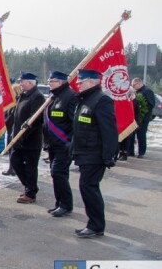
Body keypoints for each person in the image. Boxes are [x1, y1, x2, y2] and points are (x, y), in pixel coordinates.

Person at [71, 69, 118, 238]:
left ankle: (96, 225)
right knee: (87, 187)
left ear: (91, 82)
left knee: (89, 187)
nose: (78, 85)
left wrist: (108, 155)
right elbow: (80, 128)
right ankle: (94, 224)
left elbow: (109, 130)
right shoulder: (85, 100)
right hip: (84, 152)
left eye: (80, 82)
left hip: (95, 153)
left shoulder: (101, 100)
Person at [43, 71, 77, 217]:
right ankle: (60, 203)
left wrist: (70, 141)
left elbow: (73, 122)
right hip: (53, 143)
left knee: (58, 172)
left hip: (64, 143)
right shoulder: (53, 97)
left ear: (61, 82)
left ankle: (66, 205)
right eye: (49, 81)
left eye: (53, 81)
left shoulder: (70, 96)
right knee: (55, 173)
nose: (49, 83)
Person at [9, 72, 45, 203]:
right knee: (15, 161)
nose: (20, 84)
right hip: (18, 139)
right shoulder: (23, 96)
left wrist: (23, 136)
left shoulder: (37, 97)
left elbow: (36, 119)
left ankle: (30, 193)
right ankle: (29, 187)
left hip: (30, 140)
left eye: (22, 81)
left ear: (30, 82)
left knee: (30, 166)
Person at [129, 77, 156, 158]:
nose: (133, 87)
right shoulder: (135, 92)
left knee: (141, 135)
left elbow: (151, 105)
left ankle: (141, 152)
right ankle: (130, 151)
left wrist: (141, 111)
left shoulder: (147, 91)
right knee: (131, 135)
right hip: (134, 118)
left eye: (134, 85)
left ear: (139, 83)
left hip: (143, 118)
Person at [2, 83, 21, 176]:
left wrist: (5, 122)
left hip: (13, 128)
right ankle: (11, 168)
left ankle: (12, 168)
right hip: (10, 128)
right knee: (11, 150)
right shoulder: (12, 102)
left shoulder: (17, 102)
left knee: (12, 149)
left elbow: (12, 116)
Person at [117, 87, 140, 161]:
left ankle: (125, 153)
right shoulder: (122, 101)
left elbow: (137, 113)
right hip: (121, 123)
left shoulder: (135, 101)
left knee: (127, 139)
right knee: (120, 138)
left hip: (130, 123)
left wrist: (137, 123)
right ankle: (120, 152)